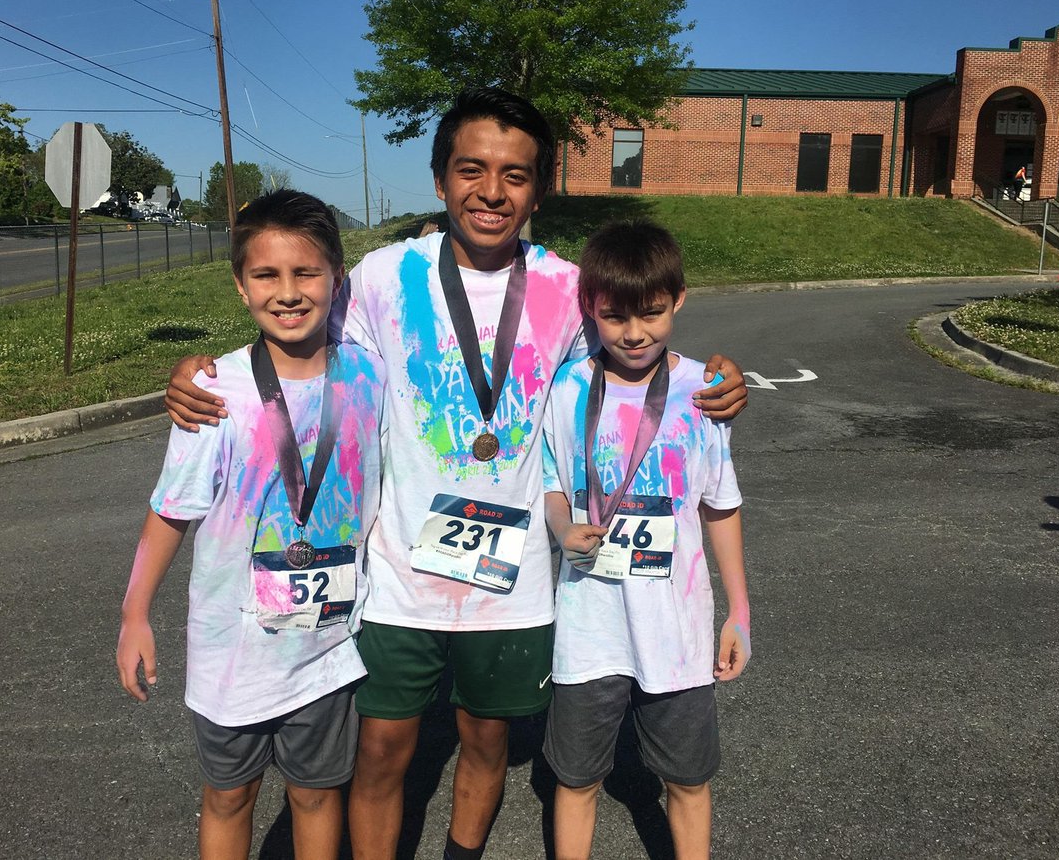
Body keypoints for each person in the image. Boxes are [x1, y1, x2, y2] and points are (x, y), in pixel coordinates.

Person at [164, 87, 749, 860]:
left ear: (539, 189)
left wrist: (717, 374)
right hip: (399, 574)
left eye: (516, 175)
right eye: (472, 169)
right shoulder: (381, 276)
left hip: (514, 582)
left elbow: (634, 357)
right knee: (380, 750)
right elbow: (290, 332)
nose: (492, 191)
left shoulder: (567, 287)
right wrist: (202, 369)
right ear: (441, 179)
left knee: (485, 741)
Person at [117, 190, 384, 860]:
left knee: (317, 795)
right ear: (240, 285)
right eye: (266, 275)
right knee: (229, 796)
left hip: (329, 648)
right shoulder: (215, 394)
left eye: (307, 273)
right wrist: (135, 614)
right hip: (232, 653)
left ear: (337, 279)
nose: (288, 292)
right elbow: (171, 510)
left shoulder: (370, 376)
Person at [541, 220, 751, 860]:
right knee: (576, 780)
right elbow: (552, 484)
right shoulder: (567, 389)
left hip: (676, 628)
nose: (634, 333)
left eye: (652, 313)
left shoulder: (703, 394)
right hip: (590, 626)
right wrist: (562, 529)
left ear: (678, 299)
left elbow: (720, 506)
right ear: (591, 309)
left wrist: (739, 612)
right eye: (615, 316)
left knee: (688, 780)